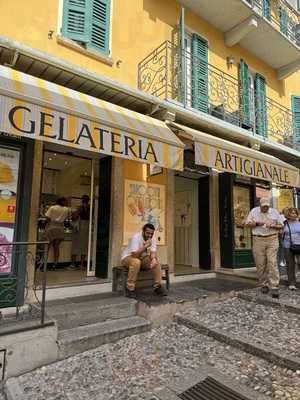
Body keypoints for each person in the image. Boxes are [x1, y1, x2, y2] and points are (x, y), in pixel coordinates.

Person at [245, 197, 284, 298]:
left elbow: (281, 226)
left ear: (269, 205)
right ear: (260, 205)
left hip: (272, 239)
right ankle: (264, 284)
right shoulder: (254, 211)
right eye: (263, 207)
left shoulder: (274, 212)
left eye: (267, 206)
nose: (265, 208)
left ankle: (274, 286)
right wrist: (258, 223)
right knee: (260, 264)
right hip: (258, 239)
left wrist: (272, 226)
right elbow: (247, 224)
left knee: (272, 262)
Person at [121, 223, 167, 298]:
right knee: (136, 262)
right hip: (128, 257)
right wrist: (145, 246)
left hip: (141, 258)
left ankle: (157, 287)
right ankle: (130, 288)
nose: (150, 235)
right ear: (143, 231)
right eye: (148, 233)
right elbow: (134, 255)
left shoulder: (153, 238)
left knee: (156, 262)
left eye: (151, 233)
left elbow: (153, 252)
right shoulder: (136, 237)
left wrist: (154, 259)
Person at [45, 197, 69, 268]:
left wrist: (51, 221)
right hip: (60, 228)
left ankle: (44, 264)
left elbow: (47, 217)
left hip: (51, 227)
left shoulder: (52, 208)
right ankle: (55, 263)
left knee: (47, 246)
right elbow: (66, 218)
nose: (66, 203)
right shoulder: (66, 209)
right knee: (56, 246)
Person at [70, 195, 90, 270]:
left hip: (79, 227)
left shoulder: (79, 208)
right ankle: (82, 264)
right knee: (84, 246)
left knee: (75, 245)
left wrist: (73, 214)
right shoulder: (90, 208)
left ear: (82, 200)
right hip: (87, 227)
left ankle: (73, 264)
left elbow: (74, 217)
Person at [282, 207, 300, 290]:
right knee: (290, 264)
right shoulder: (284, 223)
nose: (294, 214)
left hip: (299, 245)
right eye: (292, 213)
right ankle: (292, 283)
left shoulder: (299, 222)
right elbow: (281, 234)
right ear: (288, 214)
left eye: (295, 213)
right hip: (287, 246)